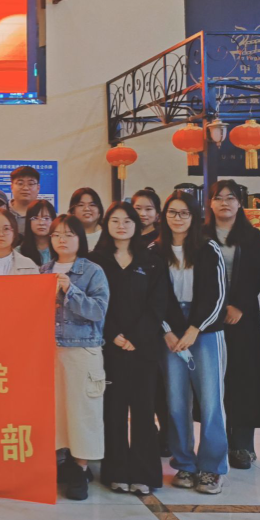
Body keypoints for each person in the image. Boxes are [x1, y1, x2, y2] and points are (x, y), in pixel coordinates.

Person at [90, 202, 168, 496]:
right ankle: (116, 471)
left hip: (143, 347)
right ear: (106, 224)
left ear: (137, 225)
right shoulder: (95, 261)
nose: (121, 226)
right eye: (115, 220)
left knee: (144, 410)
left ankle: (145, 473)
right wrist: (113, 335)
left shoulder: (152, 261)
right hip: (109, 347)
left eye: (127, 220)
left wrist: (137, 336)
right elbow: (94, 302)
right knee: (114, 408)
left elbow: (158, 303)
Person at [155, 190, 228, 495]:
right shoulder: (155, 250)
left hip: (205, 330)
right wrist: (167, 331)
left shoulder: (208, 248)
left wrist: (196, 328)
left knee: (211, 401)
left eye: (184, 213)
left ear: (194, 216)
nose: (178, 218)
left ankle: (211, 468)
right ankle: (184, 463)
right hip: (170, 330)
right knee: (176, 401)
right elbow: (152, 297)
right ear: (164, 216)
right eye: (172, 212)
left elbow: (218, 294)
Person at [41, 214, 109, 501]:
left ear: (80, 239)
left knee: (82, 413)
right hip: (49, 351)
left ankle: (80, 469)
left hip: (83, 350)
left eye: (69, 234)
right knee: (54, 413)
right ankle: (60, 465)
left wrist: (70, 289)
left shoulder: (93, 271)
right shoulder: (42, 270)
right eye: (57, 234)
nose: (62, 239)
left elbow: (98, 311)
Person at [205, 180, 260, 471]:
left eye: (230, 198)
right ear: (210, 203)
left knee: (243, 377)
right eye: (218, 198)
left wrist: (239, 305)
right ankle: (215, 444)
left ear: (239, 203)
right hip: (208, 317)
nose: (225, 203)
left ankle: (242, 445)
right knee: (214, 379)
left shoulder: (251, 236)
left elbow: (257, 272)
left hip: (242, 317)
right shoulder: (201, 235)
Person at [132, 187, 168, 455]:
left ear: (157, 214)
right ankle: (147, 435)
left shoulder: (162, 242)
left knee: (161, 385)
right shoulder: (125, 238)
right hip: (131, 323)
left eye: (148, 209)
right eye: (137, 209)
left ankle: (167, 435)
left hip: (160, 322)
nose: (143, 214)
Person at [18, 199, 56, 266]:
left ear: (53, 220)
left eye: (46, 218)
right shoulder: (18, 252)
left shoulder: (60, 249)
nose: (41, 223)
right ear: (28, 221)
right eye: (35, 218)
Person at [9, 166, 41, 235]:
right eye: (20, 183)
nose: (25, 188)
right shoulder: (3, 212)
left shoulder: (46, 215)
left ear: (38, 188)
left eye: (30, 184)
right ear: (11, 187)